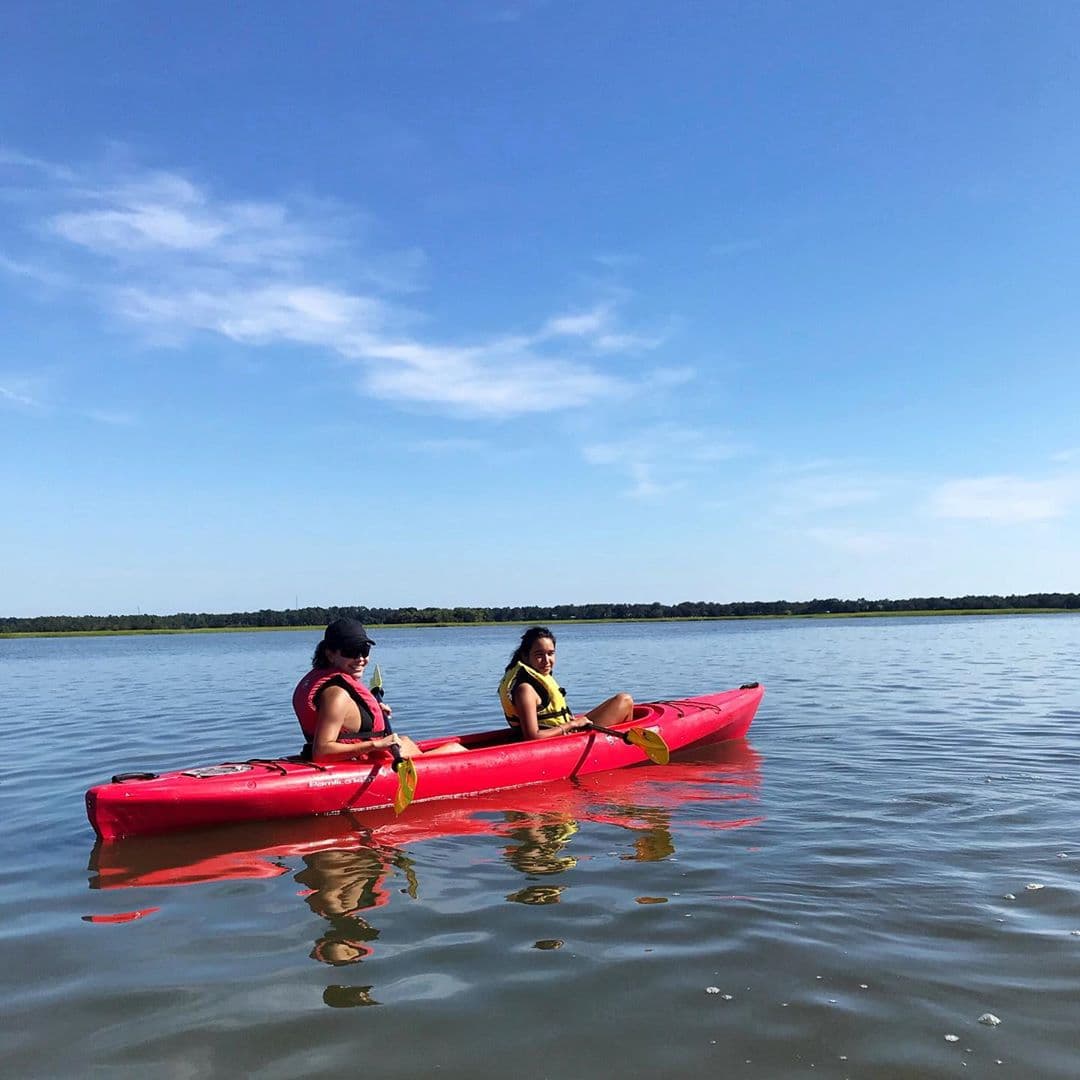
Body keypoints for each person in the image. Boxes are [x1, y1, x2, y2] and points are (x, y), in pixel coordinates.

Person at [293, 618, 466, 761]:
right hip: (366, 764)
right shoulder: (337, 695)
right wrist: (376, 744)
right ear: (330, 654)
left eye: (364, 650)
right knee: (456, 749)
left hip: (365, 758)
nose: (360, 658)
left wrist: (368, 713)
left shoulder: (335, 689)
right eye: (351, 651)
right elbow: (322, 751)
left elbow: (345, 726)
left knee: (405, 740)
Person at [498, 626, 634, 740]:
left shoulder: (536, 679)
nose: (546, 660)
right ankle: (623, 748)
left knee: (623, 700)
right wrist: (571, 725)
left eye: (550, 653)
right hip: (554, 743)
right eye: (539, 655)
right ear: (525, 656)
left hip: (564, 733)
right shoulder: (525, 689)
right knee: (625, 701)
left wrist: (572, 722)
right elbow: (533, 736)